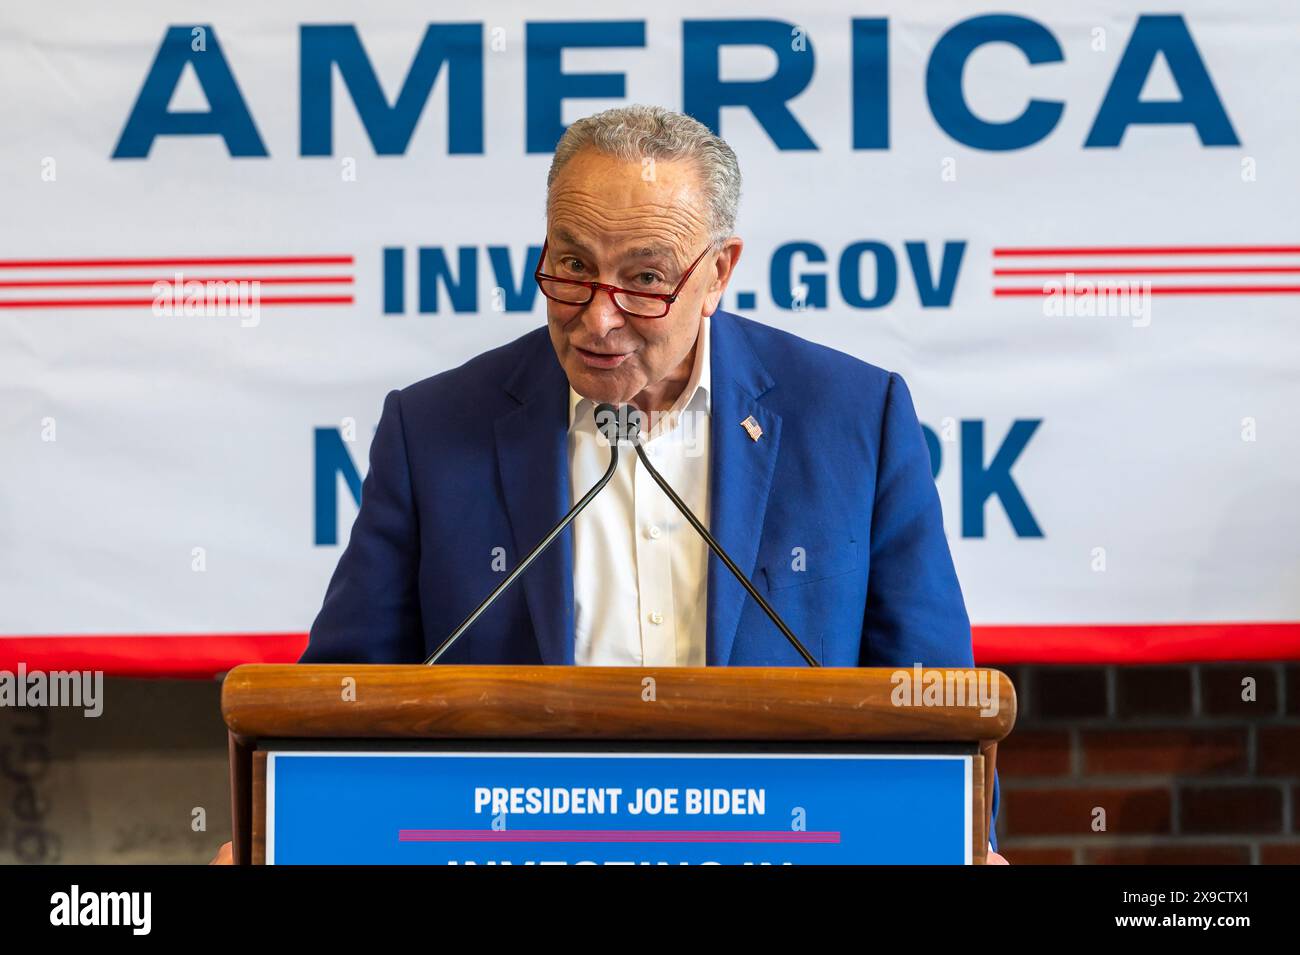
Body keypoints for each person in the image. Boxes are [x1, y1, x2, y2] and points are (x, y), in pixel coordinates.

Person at [215, 104, 1005, 863]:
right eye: (572, 267)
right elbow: (340, 704)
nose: (598, 318)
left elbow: (937, 704)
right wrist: (283, 835)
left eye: (645, 279)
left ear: (719, 271)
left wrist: (965, 846)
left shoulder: (853, 420)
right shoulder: (433, 431)